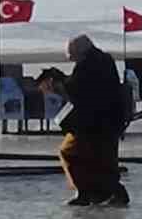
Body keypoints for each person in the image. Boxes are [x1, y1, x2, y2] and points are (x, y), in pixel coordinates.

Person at [49, 35, 129, 207]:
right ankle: (103, 193)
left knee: (71, 153)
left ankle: (88, 193)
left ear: (80, 51)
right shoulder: (102, 60)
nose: (71, 58)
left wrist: (58, 85)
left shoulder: (88, 64)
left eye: (72, 54)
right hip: (110, 121)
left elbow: (78, 90)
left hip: (95, 124)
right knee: (102, 159)